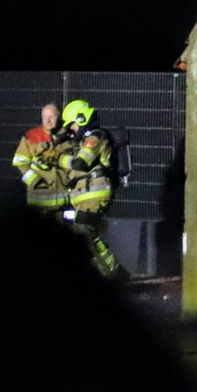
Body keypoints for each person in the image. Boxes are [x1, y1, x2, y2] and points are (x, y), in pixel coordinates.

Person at [58, 98, 124, 279]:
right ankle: (111, 272)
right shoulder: (83, 141)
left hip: (94, 194)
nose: (71, 130)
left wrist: (59, 158)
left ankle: (113, 274)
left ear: (80, 118)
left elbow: (81, 162)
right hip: (83, 196)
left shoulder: (96, 137)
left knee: (84, 231)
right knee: (86, 236)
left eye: (72, 125)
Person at [11, 102, 69, 215]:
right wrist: (35, 181)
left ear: (59, 117)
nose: (47, 121)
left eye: (51, 117)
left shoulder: (68, 137)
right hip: (39, 200)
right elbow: (19, 162)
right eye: (44, 117)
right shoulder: (31, 137)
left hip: (63, 201)